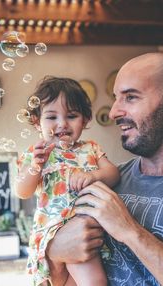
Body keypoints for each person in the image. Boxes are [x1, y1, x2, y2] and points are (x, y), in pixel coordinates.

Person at [46, 53, 163, 286]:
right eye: (116, 98)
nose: (113, 112)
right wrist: (55, 255)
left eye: (130, 97)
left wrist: (130, 231)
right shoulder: (106, 181)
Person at [16, 76, 120, 286]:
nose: (62, 123)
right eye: (52, 117)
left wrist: (93, 176)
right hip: (50, 233)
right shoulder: (37, 153)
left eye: (72, 115)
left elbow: (113, 174)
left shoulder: (90, 148)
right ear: (37, 122)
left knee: (94, 281)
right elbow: (22, 191)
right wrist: (36, 166)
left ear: (85, 119)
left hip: (84, 230)